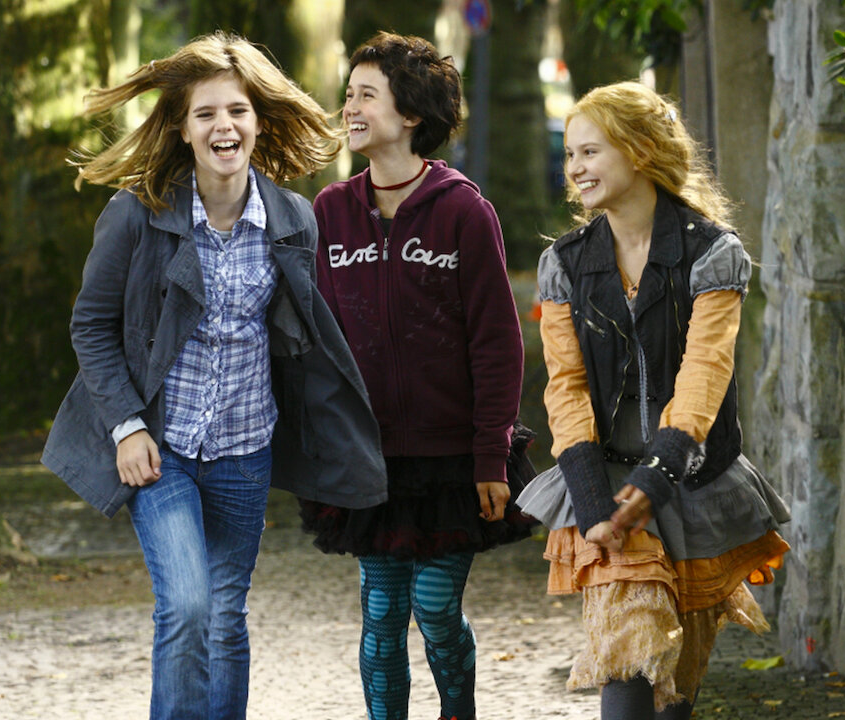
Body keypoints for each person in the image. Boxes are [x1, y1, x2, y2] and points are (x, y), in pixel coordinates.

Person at [41, 32, 387, 720]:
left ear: (257, 121)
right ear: (183, 128)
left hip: (245, 450)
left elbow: (306, 338)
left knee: (227, 614)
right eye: (205, 114)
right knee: (187, 605)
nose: (222, 126)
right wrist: (126, 426)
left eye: (236, 111)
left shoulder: (292, 220)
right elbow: (91, 326)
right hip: (161, 449)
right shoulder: (137, 214)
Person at [533, 81, 791, 719]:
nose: (575, 168)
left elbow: (705, 372)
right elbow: (565, 387)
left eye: (590, 151)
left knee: (676, 679)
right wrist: (593, 502)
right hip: (607, 482)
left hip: (694, 481)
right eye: (570, 155)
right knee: (629, 658)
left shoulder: (713, 253)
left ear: (640, 151)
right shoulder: (565, 264)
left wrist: (659, 474)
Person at [298, 32, 529, 720]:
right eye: (349, 94)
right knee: (381, 614)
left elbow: (497, 343)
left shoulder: (464, 212)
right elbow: (319, 344)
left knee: (434, 608)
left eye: (366, 95)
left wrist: (491, 455)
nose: (350, 107)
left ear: (411, 115)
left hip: (452, 461)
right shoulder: (330, 211)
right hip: (368, 462)